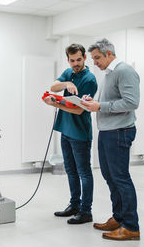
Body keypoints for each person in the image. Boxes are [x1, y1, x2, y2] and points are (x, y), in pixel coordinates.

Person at [81, 38, 140, 240]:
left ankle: (131, 226)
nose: (94, 62)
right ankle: (119, 217)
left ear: (109, 54)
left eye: (97, 58)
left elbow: (131, 103)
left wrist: (101, 106)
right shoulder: (109, 73)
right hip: (107, 131)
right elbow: (110, 101)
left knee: (121, 178)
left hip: (119, 131)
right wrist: (94, 102)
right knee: (110, 177)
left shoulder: (124, 71)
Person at [44, 43, 97, 224]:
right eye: (72, 60)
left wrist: (55, 105)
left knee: (84, 172)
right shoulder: (69, 74)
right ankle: (74, 205)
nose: (75, 63)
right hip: (65, 131)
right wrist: (67, 83)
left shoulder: (89, 79)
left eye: (79, 60)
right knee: (71, 171)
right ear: (68, 59)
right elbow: (54, 86)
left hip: (80, 134)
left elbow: (79, 110)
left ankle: (86, 211)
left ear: (84, 58)